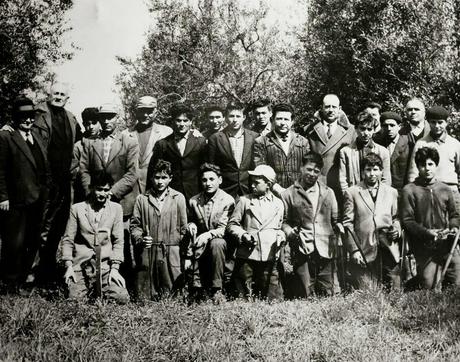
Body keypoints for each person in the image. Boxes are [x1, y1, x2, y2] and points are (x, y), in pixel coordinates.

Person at [34, 82, 85, 285]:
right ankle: (32, 274)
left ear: (67, 98)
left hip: (64, 183)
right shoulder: (39, 115)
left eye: (62, 94)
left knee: (59, 227)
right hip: (44, 181)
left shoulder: (71, 118)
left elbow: (80, 144)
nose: (58, 96)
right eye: (55, 93)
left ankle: (48, 272)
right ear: (48, 94)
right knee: (40, 228)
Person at [0, 97, 50, 294]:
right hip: (15, 200)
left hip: (37, 199)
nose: (28, 120)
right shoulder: (6, 137)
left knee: (31, 241)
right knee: (14, 242)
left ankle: (24, 279)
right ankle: (9, 282)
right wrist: (2, 196)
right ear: (15, 117)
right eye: (23, 117)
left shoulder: (37, 137)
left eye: (30, 116)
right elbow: (0, 170)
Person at [60, 172, 129, 303]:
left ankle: (100, 289)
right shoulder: (77, 209)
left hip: (105, 267)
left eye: (106, 190)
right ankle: (83, 288)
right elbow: (68, 239)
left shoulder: (116, 209)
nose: (102, 194)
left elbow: (119, 241)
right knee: (74, 299)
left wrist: (115, 269)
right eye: (99, 189)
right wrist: (68, 266)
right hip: (81, 265)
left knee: (122, 298)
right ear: (91, 188)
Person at [281, 152, 341, 298]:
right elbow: (284, 222)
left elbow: (335, 220)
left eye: (316, 171)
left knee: (330, 293)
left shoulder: (328, 192)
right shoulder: (288, 194)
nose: (312, 174)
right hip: (303, 248)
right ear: (301, 168)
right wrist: (290, 232)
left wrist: (339, 228)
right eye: (309, 169)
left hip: (325, 247)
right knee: (304, 294)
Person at [401, 147, 460, 290]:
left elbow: (454, 215)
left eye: (430, 164)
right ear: (418, 166)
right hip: (423, 246)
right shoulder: (409, 190)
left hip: (446, 244)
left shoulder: (445, 189)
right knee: (429, 284)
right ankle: (414, 282)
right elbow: (408, 220)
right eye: (422, 165)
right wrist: (427, 233)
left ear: (436, 165)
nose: (427, 169)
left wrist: (453, 227)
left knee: (456, 279)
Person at [130, 160, 188, 300]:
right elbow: (135, 226)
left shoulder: (178, 198)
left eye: (164, 178)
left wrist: (175, 245)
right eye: (157, 177)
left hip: (170, 251)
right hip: (149, 251)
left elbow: (183, 228)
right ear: (151, 178)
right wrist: (141, 239)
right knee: (145, 295)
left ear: (170, 178)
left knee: (172, 294)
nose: (160, 182)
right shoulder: (142, 199)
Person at [343, 153, 401, 290]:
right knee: (368, 291)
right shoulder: (352, 192)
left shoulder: (391, 192)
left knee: (394, 289)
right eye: (368, 170)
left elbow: (396, 217)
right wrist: (354, 250)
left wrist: (396, 230)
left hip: (388, 246)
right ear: (362, 172)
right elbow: (348, 224)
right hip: (364, 249)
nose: (372, 174)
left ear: (381, 171)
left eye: (375, 169)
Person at [227, 165, 285, 301]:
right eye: (251, 181)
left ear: (268, 184)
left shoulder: (278, 204)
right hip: (248, 252)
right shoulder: (244, 201)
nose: (252, 185)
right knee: (242, 292)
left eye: (257, 182)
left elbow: (279, 227)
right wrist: (243, 234)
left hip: (268, 253)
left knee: (271, 294)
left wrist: (281, 237)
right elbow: (232, 224)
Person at [185, 163, 235, 301]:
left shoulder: (227, 200)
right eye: (204, 180)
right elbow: (190, 220)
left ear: (220, 180)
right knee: (192, 238)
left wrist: (208, 235)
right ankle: (195, 288)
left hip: (221, 244)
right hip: (199, 243)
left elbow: (224, 229)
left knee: (217, 243)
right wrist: (191, 225)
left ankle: (217, 289)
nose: (208, 183)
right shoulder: (194, 201)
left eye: (212, 179)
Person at [79, 103, 139, 218]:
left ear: (117, 117)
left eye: (110, 117)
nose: (106, 121)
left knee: (120, 235)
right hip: (94, 201)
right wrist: (92, 192)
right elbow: (84, 170)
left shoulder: (129, 142)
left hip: (121, 202)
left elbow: (132, 173)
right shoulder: (90, 142)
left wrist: (110, 193)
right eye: (103, 117)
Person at [148, 104, 207, 202]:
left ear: (191, 122)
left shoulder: (200, 142)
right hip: (171, 194)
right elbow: (154, 171)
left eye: (185, 120)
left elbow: (205, 169)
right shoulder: (163, 144)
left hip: (195, 194)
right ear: (173, 121)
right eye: (178, 120)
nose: (182, 124)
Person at [406, 106, 460, 209]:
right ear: (428, 122)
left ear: (446, 122)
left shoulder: (455, 144)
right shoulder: (421, 143)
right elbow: (413, 173)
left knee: (454, 222)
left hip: (451, 191)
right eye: (433, 122)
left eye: (440, 122)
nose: (436, 126)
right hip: (428, 191)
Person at [304, 94, 355, 201]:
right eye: (327, 107)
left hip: (340, 185)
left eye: (334, 107)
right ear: (321, 108)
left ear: (340, 109)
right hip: (316, 184)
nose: (331, 110)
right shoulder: (309, 130)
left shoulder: (351, 131)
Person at [253, 103, 310, 193]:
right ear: (272, 120)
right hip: (272, 195)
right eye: (279, 119)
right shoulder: (261, 142)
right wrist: (277, 189)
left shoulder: (303, 142)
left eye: (286, 119)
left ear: (292, 121)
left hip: (298, 193)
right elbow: (260, 170)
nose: (283, 123)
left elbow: (308, 168)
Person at [124, 96, 172, 199]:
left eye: (149, 111)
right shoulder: (125, 135)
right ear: (136, 112)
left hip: (157, 192)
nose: (145, 115)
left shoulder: (166, 132)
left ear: (156, 112)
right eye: (141, 111)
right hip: (130, 193)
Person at [208, 101, 258, 198]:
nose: (235, 120)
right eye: (231, 116)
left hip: (248, 188)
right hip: (226, 189)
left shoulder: (254, 137)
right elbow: (212, 166)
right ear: (226, 118)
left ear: (244, 118)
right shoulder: (215, 138)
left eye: (238, 116)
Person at [339, 112, 391, 194]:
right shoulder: (346, 151)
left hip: (376, 195)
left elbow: (386, 179)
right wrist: (348, 196)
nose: (366, 133)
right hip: (354, 194)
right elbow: (343, 179)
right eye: (362, 129)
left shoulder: (383, 152)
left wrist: (380, 197)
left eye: (369, 129)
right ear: (356, 129)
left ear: (374, 130)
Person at [374, 111, 410, 191]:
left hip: (401, 190)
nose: (389, 129)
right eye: (385, 126)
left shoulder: (408, 143)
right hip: (382, 189)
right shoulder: (377, 143)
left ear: (399, 126)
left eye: (392, 125)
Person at [72, 107, 101, 203]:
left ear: (100, 122)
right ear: (84, 124)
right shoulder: (78, 146)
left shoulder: (106, 142)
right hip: (84, 192)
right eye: (88, 124)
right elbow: (74, 171)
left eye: (94, 123)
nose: (91, 127)